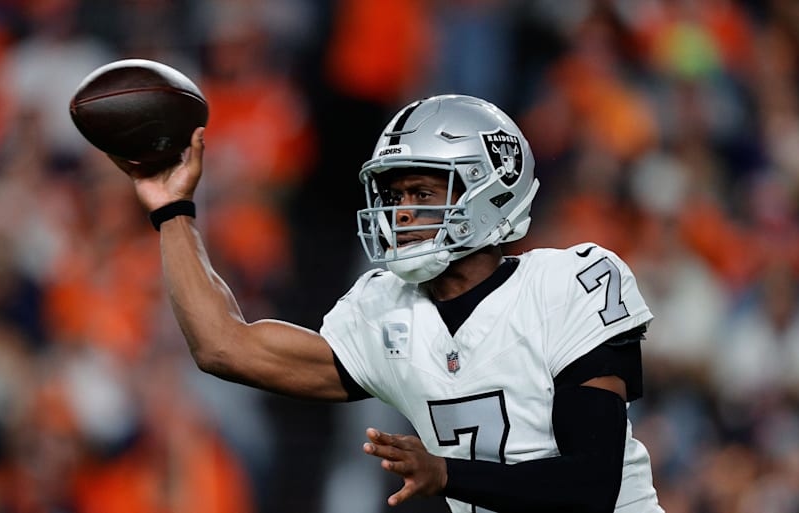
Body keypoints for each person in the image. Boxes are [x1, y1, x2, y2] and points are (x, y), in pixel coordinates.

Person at [113, 94, 664, 513]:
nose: (400, 213)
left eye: (422, 193)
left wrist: (446, 474)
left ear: (490, 190)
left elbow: (590, 488)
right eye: (394, 195)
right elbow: (223, 347)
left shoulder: (566, 283)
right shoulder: (386, 309)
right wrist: (172, 209)